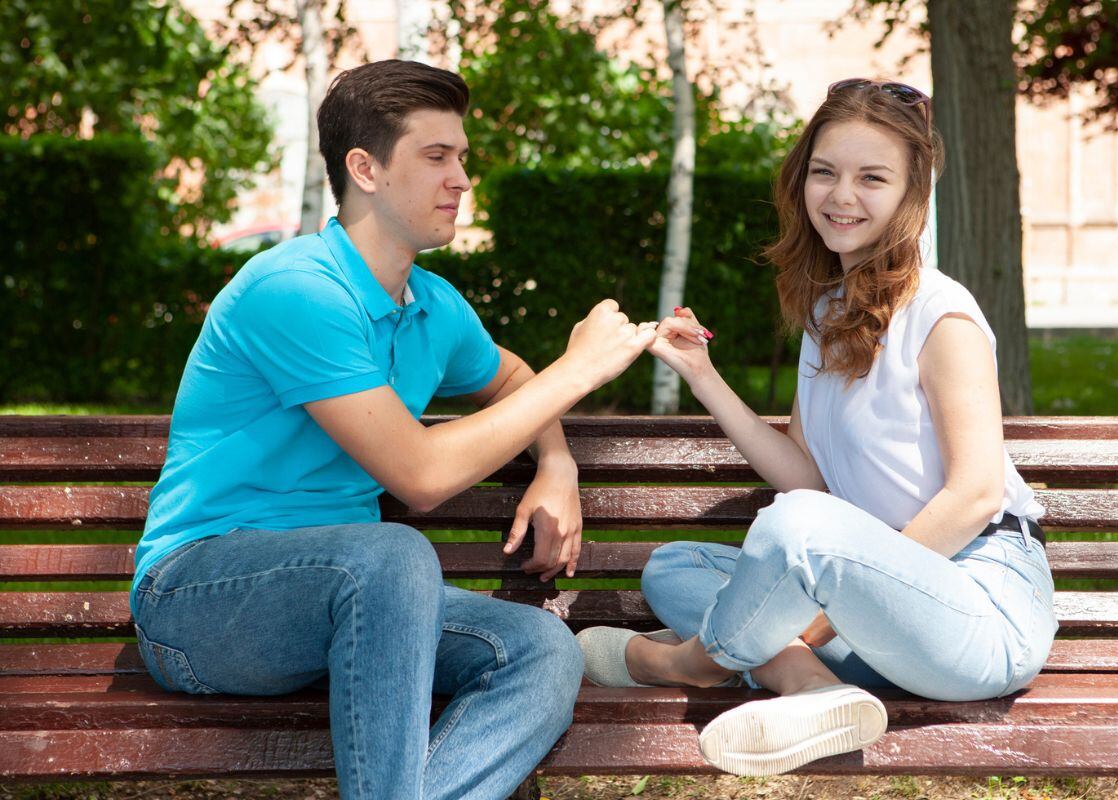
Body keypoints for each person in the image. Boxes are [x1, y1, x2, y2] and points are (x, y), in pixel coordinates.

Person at [131, 60, 657, 800]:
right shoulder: (296, 291)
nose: (462, 179)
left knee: (539, 649)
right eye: (436, 156)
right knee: (392, 554)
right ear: (365, 169)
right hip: (199, 599)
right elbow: (421, 476)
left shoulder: (433, 307)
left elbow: (509, 380)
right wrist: (579, 371)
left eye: (463, 157)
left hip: (359, 604)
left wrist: (557, 464)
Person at [576, 78, 1058, 777]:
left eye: (872, 178)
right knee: (676, 566)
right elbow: (805, 472)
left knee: (795, 528)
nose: (842, 196)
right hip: (877, 612)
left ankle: (687, 663)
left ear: (910, 194)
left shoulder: (941, 315)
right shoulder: (826, 315)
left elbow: (978, 494)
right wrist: (704, 376)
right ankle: (814, 689)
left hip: (980, 608)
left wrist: (821, 616)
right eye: (825, 173)